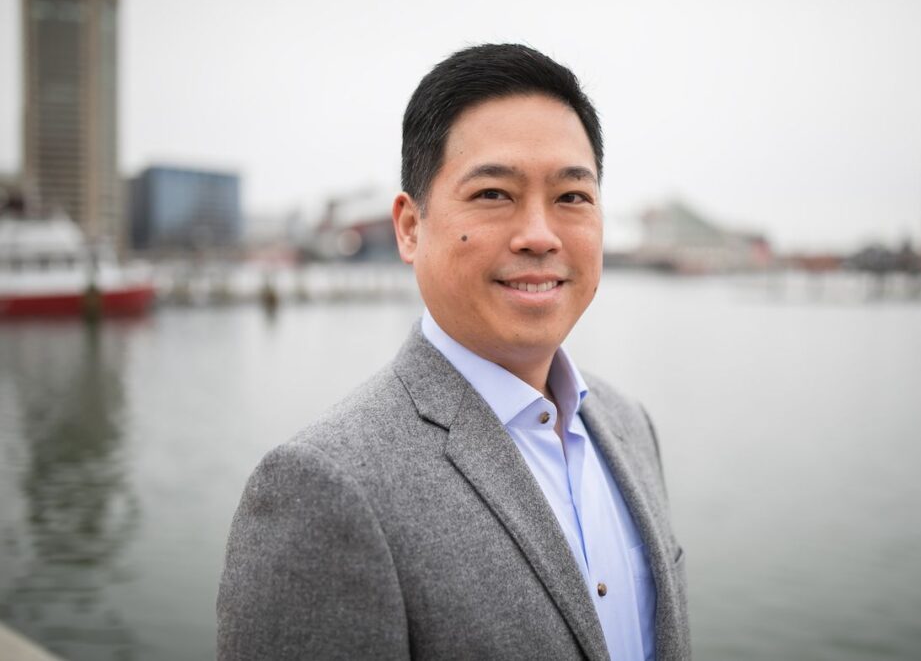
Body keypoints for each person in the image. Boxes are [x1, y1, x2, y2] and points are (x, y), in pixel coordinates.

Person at [217, 43, 690, 660]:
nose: (540, 236)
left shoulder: (630, 426)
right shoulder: (323, 488)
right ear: (411, 227)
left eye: (572, 197)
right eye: (494, 193)